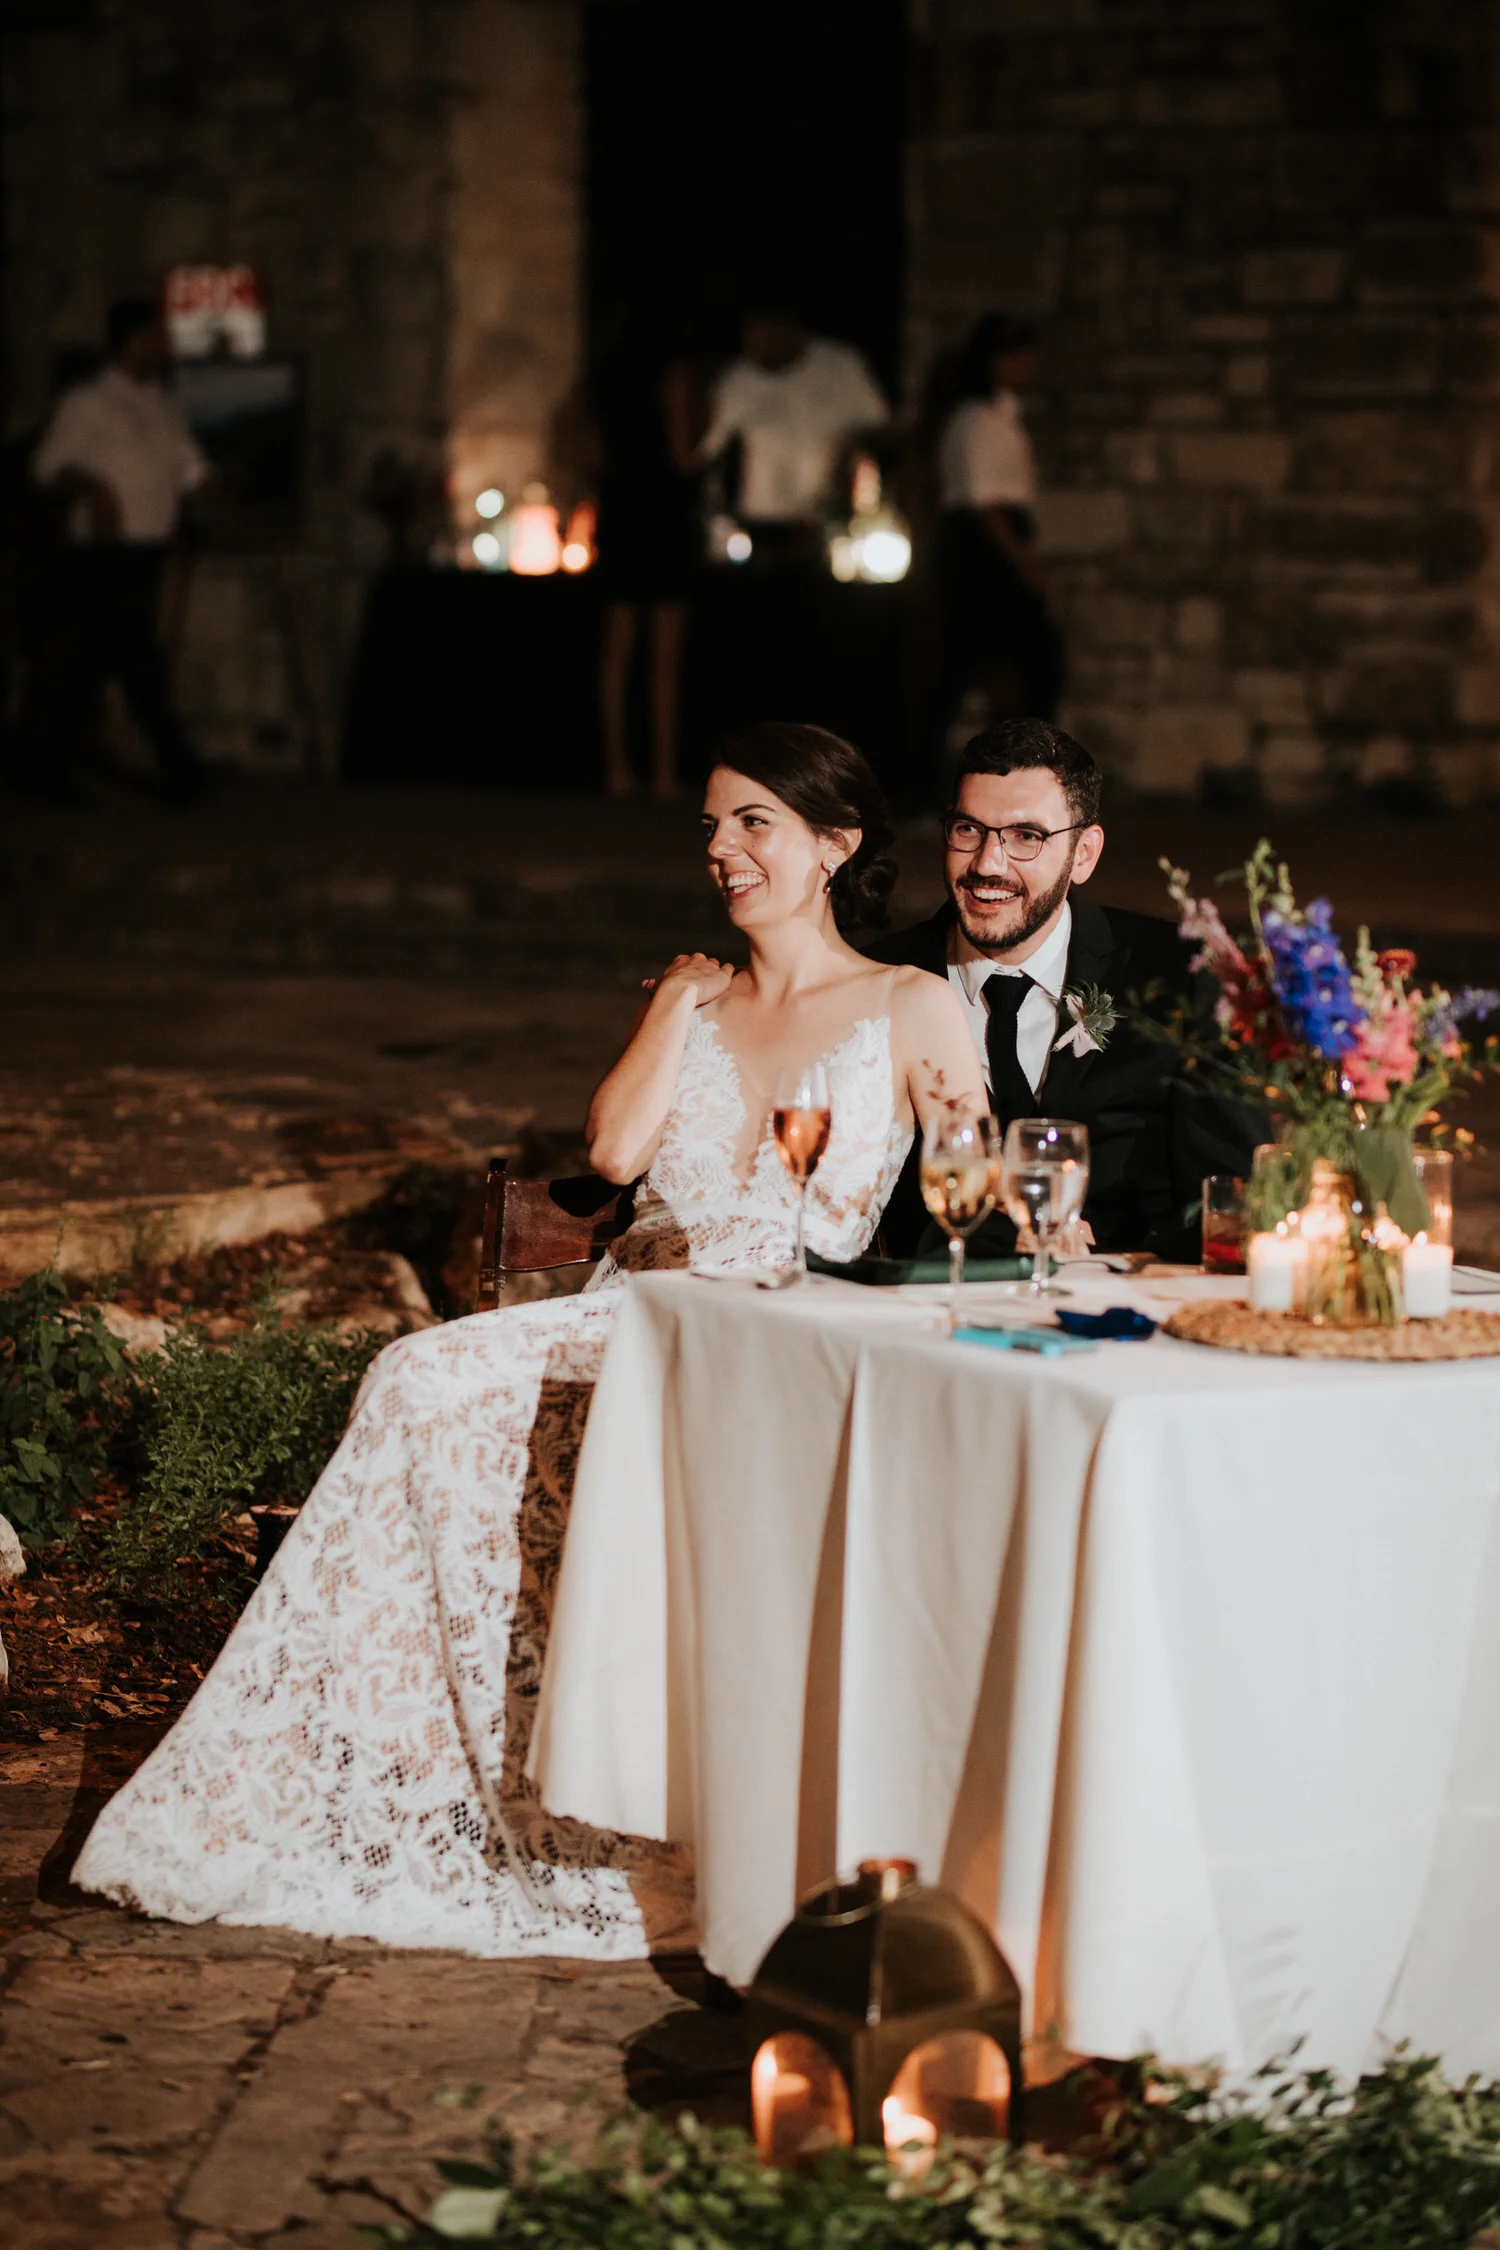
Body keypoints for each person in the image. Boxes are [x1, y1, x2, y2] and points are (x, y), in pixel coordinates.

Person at [73, 724, 983, 1959]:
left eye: (753, 823)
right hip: (634, 1313)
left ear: (836, 844)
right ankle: (418, 1761)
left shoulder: (909, 1004)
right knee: (417, 1376)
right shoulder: (698, 1003)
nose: (722, 849)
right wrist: (674, 1002)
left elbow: (976, 1175)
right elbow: (612, 1153)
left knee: (424, 1376)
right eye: (711, 826)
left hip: (785, 1328)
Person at [869, 717, 1262, 1263]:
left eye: (1025, 837)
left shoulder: (1181, 974)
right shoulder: (881, 978)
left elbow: (1231, 1195)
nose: (987, 863)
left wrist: (1123, 1266)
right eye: (968, 829)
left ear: (1084, 854)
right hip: (932, 1294)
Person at [15, 296, 209, 804]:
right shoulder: (88, 402)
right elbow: (48, 467)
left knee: (98, 661)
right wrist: (96, 490)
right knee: (130, 658)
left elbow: (190, 469)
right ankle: (178, 766)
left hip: (147, 552)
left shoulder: (161, 404)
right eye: (159, 336)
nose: (167, 347)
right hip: (102, 555)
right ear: (135, 340)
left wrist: (219, 503)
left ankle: (43, 767)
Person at [932, 313, 1065, 753]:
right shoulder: (979, 420)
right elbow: (986, 504)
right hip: (984, 555)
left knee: (992, 665)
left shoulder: (995, 417)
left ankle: (1020, 758)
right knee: (1028, 663)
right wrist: (1022, 561)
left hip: (988, 547)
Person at [591, 319, 705, 799]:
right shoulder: (676, 375)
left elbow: (591, 451)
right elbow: (682, 454)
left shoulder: (605, 378)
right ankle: (662, 772)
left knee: (616, 654)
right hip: (662, 517)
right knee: (664, 660)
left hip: (619, 512)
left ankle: (617, 769)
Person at [699, 300, 888, 564]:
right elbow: (707, 450)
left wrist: (852, 461)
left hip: (825, 527)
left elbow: (880, 431)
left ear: (788, 327)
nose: (757, 345)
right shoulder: (737, 380)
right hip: (753, 527)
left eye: (765, 332)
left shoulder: (841, 368)